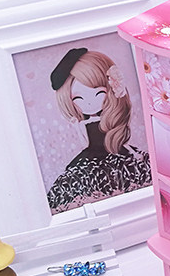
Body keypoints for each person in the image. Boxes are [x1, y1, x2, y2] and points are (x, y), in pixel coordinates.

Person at [46, 48, 150, 213]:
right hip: (91, 157)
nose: (89, 102)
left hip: (116, 152)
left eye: (98, 93)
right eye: (78, 98)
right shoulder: (81, 123)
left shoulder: (115, 123)